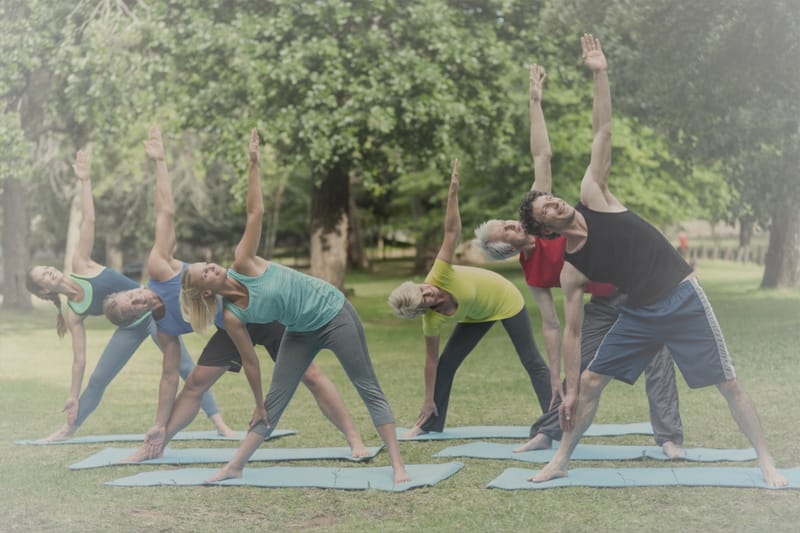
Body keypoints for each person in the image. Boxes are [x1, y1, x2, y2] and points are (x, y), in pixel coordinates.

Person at [518, 34, 786, 487]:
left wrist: (600, 74)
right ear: (545, 230)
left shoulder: (593, 196)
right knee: (591, 382)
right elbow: (573, 332)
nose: (554, 202)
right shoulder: (572, 269)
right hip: (639, 312)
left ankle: (765, 460)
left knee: (728, 383)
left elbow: (602, 132)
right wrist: (568, 388)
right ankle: (560, 460)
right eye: (546, 208)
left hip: (682, 296)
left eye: (551, 198)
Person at [104, 125, 369, 461]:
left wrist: (159, 162)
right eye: (134, 307)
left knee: (311, 375)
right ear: (137, 316)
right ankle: (156, 445)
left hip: (262, 311)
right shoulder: (166, 330)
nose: (138, 299)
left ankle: (354, 439)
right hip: (232, 326)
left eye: (132, 296)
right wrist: (158, 423)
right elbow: (169, 377)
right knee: (195, 383)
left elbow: (165, 213)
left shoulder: (160, 269)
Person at [473, 65, 684, 456]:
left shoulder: (545, 214)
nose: (513, 224)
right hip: (602, 303)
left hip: (634, 289)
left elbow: (542, 153)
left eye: (507, 222)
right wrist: (555, 372)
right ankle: (547, 433)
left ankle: (669, 438)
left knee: (659, 357)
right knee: (577, 372)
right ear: (508, 249)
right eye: (507, 231)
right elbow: (552, 326)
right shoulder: (534, 269)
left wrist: (534, 102)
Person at [180, 128, 409, 484]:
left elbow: (255, 212)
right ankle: (235, 466)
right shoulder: (232, 315)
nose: (210, 267)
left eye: (206, 264)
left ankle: (397, 464)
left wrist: (253, 164)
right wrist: (258, 402)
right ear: (206, 293)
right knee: (274, 401)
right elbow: (251, 362)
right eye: (203, 274)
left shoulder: (243, 261)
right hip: (300, 331)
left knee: (366, 385)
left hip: (333, 313)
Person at [25, 150, 232, 441]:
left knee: (184, 366)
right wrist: (72, 394)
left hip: (153, 311)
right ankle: (68, 429)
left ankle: (220, 424)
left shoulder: (81, 265)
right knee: (99, 378)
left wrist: (85, 181)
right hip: (131, 326)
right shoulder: (74, 313)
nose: (51, 272)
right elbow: (79, 360)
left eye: (48, 268)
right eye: (44, 277)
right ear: (45, 290)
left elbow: (89, 220)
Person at [388, 160, 552, 436]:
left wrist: (452, 194)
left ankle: (555, 422)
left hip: (504, 298)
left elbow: (452, 231)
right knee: (446, 364)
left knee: (531, 361)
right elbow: (430, 361)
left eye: (422, 288)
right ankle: (430, 424)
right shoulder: (432, 321)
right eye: (425, 298)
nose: (428, 290)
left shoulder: (439, 273)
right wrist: (427, 400)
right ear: (423, 309)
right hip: (477, 314)